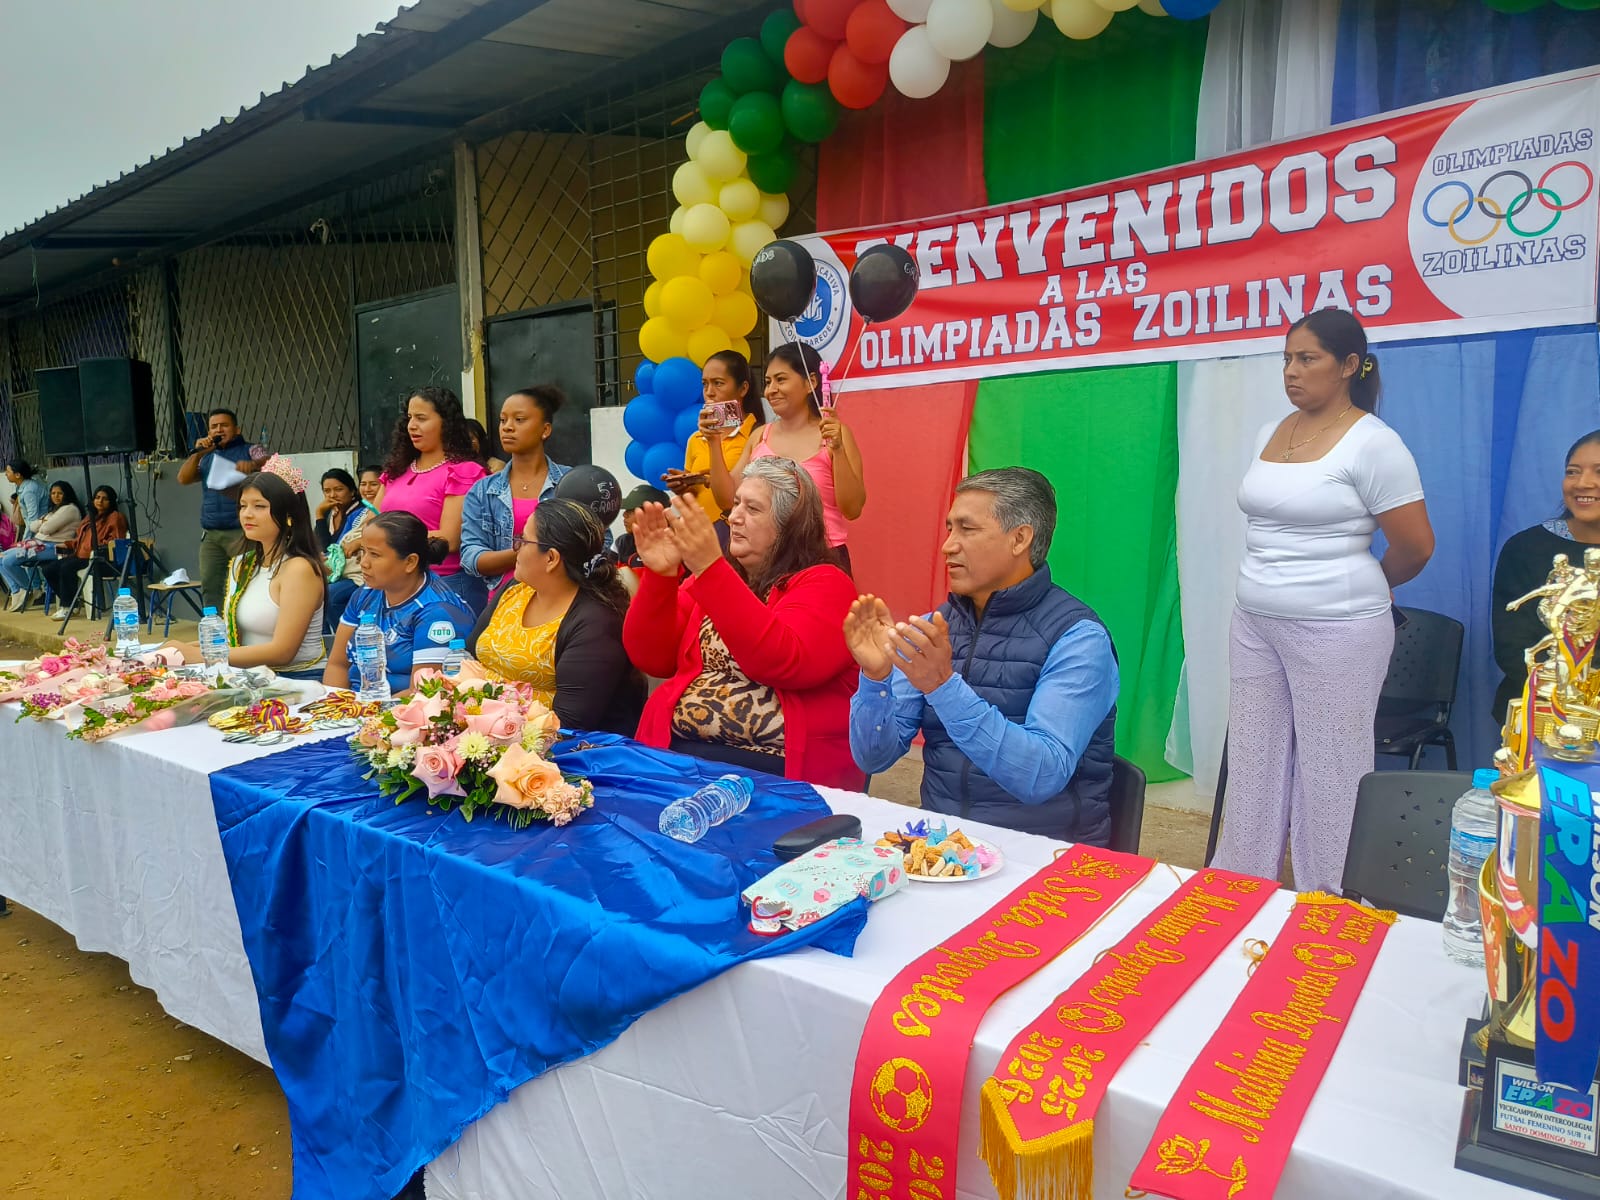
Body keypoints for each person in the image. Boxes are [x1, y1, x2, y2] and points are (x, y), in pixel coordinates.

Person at [1212, 308, 1434, 893]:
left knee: (1332, 771)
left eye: (1307, 358)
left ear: (1350, 365)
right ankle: (1238, 888)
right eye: (1287, 358)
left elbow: (1416, 546)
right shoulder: (1271, 431)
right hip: (1254, 621)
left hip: (1338, 629)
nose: (1291, 370)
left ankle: (1334, 901)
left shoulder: (1375, 443)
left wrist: (1368, 584)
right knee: (1254, 762)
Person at [847, 468, 1120, 845]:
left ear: (1019, 538)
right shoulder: (937, 625)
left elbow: (1041, 775)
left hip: (1046, 853)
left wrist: (942, 687)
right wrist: (876, 678)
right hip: (945, 849)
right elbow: (873, 759)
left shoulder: (1079, 639)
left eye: (967, 529)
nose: (948, 546)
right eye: (949, 529)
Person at [624, 457, 863, 788]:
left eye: (752, 508)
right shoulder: (713, 580)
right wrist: (660, 576)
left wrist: (711, 570)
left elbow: (782, 662)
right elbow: (652, 658)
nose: (734, 517)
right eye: (736, 504)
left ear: (789, 524)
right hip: (681, 759)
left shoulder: (828, 584)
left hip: (775, 773)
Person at [467, 499, 644, 734]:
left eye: (523, 540)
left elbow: (568, 723)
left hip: (544, 745)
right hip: (480, 727)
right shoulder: (515, 590)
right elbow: (470, 653)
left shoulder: (595, 622)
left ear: (551, 558)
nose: (516, 548)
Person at [709, 342, 865, 573]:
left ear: (811, 382)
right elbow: (726, 499)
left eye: (781, 380)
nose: (771, 390)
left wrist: (839, 449)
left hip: (822, 560)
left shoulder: (834, 434)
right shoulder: (760, 436)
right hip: (766, 562)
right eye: (768, 382)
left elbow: (853, 509)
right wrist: (713, 441)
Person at [170, 460, 327, 677]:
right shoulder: (243, 563)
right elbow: (233, 639)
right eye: (243, 506)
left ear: (288, 516)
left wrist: (201, 654)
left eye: (259, 506)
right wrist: (180, 648)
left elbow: (282, 652)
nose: (247, 514)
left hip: (296, 679)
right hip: (250, 676)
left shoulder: (299, 569)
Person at [1492, 430, 1600, 721]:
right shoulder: (1526, 549)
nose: (1583, 483)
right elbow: (1513, 647)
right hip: (1540, 708)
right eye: (1573, 472)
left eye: (1599, 471)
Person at [324, 512, 475, 695]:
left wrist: (364, 710)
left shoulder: (438, 612)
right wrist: (335, 704)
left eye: (374, 555)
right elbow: (337, 665)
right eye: (363, 551)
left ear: (410, 562)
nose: (363, 563)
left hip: (399, 708)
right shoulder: (365, 593)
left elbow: (422, 693)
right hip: (356, 702)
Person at [378, 387, 487, 616]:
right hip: (394, 582)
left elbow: (450, 539)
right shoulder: (396, 470)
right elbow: (373, 520)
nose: (412, 425)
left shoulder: (464, 471)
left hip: (446, 583)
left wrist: (388, 542)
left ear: (446, 423)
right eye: (409, 417)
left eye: (421, 418)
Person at [460, 386, 572, 601]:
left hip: (562, 602)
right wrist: (529, 552)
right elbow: (471, 557)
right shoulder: (482, 491)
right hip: (505, 603)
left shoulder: (570, 483)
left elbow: (598, 544)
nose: (507, 427)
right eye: (503, 420)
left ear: (545, 430)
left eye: (519, 420)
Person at [176, 408, 260, 611]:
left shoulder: (252, 449)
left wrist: (253, 465)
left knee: (244, 584)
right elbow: (183, 479)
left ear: (237, 429)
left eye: (224, 425)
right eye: (214, 426)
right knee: (210, 585)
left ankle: (242, 627)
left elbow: (270, 463)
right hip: (212, 534)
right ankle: (213, 626)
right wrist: (198, 453)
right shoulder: (206, 456)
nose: (219, 430)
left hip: (242, 532)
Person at [667, 350, 762, 526]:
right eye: (705, 384)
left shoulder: (758, 435)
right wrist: (685, 487)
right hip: (700, 533)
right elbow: (694, 500)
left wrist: (712, 478)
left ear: (743, 388)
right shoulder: (695, 439)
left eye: (718, 383)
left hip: (739, 532)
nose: (709, 392)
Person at [41, 486, 129, 620]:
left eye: (105, 499)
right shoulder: (90, 517)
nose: (100, 501)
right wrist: (68, 544)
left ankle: (67, 607)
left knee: (67, 567)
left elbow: (116, 541)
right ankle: (73, 603)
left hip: (101, 559)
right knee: (49, 569)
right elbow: (80, 539)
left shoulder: (115, 517)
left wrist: (97, 547)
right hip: (81, 556)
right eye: (97, 498)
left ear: (111, 501)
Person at [314, 468, 378, 629]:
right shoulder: (332, 513)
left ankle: (344, 639)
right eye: (327, 491)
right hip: (342, 569)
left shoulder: (358, 512)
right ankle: (323, 639)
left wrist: (319, 514)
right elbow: (326, 547)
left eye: (338, 489)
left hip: (358, 571)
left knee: (328, 595)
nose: (332, 495)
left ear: (352, 491)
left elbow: (335, 548)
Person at [0, 480, 80, 610]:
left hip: (55, 547)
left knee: (9, 560)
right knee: (1, 557)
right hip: (39, 543)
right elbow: (32, 526)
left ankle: (28, 589)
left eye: (60, 493)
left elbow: (46, 529)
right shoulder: (53, 511)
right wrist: (44, 523)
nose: (56, 496)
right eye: (53, 493)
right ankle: (17, 590)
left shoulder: (70, 509)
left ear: (67, 494)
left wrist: (43, 523)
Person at [4, 459, 47, 549]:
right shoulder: (23, 485)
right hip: (34, 529)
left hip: (40, 532)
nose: (6, 474)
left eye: (8, 471)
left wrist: (25, 542)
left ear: (17, 475)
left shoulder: (29, 491)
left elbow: (33, 518)